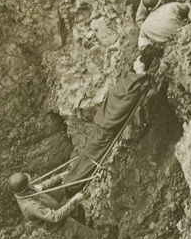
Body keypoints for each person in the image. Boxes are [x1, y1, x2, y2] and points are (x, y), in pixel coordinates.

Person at [61, 51, 157, 194]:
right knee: (87, 152)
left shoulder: (137, 85)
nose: (134, 62)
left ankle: (73, 185)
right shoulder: (131, 76)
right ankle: (70, 180)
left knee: (92, 155)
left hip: (107, 124)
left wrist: (108, 121)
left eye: (137, 61)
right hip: (103, 120)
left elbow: (122, 107)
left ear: (142, 65)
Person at [9, 172, 112, 239]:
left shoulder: (26, 191)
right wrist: (73, 201)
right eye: (28, 183)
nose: (30, 184)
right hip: (62, 224)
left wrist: (60, 177)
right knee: (93, 237)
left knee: (79, 215)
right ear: (23, 188)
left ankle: (85, 230)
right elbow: (55, 217)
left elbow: (42, 186)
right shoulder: (30, 206)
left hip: (60, 211)